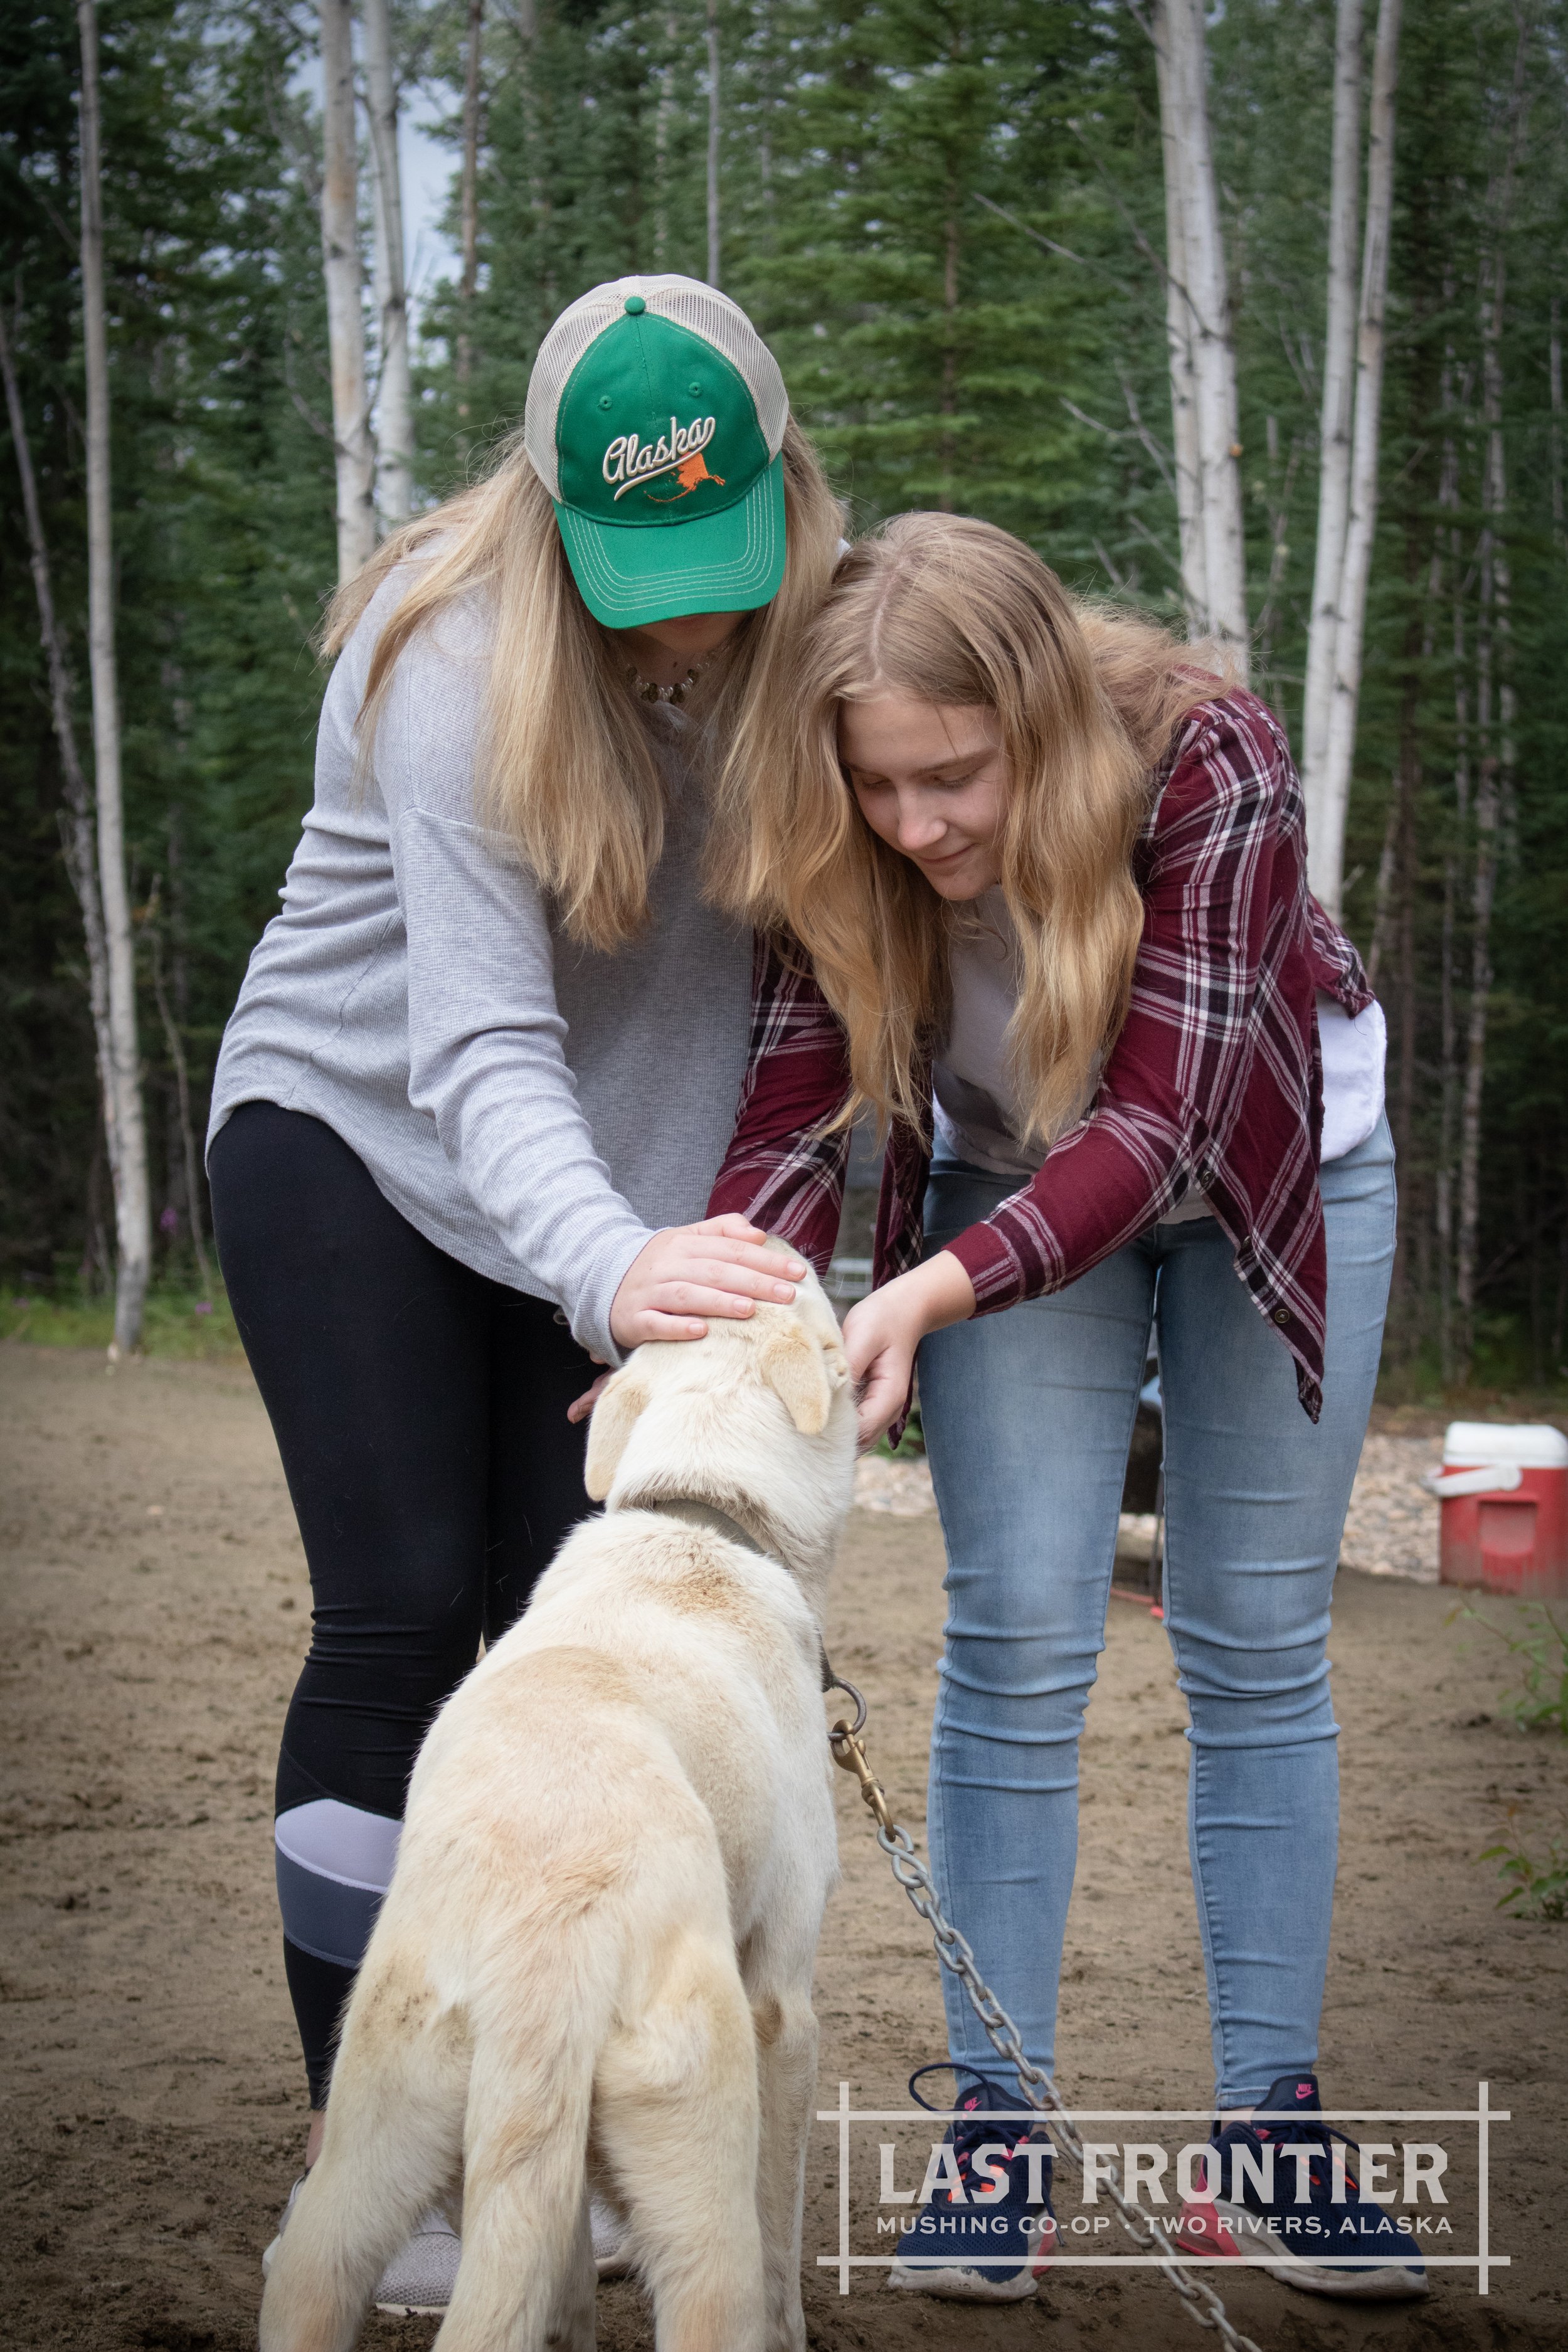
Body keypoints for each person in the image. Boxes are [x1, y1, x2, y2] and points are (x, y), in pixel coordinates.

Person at [206, 275, 846, 2312]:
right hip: (361, 1138)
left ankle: (560, 2122)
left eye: (722, 558)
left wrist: (699, 1268)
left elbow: (815, 1002)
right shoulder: (446, 653)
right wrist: (620, 1277)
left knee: (568, 1646)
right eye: (646, 570)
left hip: (624, 1210)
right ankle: (373, 2153)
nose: (694, 612)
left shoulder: (820, 640)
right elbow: (481, 1050)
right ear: (554, 521)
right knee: (405, 1607)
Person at [711, 512, 1425, 2305]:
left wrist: (928, 1294)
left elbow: (1165, 1123)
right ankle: (996, 2141)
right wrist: (717, 1316)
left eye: (951, 779)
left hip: (1272, 1169)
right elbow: (795, 1114)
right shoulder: (844, 821)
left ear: (1038, 715)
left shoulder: (1208, 754)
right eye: (878, 790)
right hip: (1009, 1186)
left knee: (1255, 1641)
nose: (915, 829)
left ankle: (1268, 2140)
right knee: (1015, 1628)